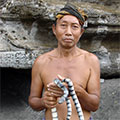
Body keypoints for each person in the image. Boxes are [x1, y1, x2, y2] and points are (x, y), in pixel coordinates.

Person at [29, 3, 100, 120]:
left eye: (74, 27)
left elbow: (94, 105)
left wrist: (77, 91)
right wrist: (43, 101)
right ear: (54, 29)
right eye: (63, 25)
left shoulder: (90, 60)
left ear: (81, 32)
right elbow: (33, 100)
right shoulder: (41, 62)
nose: (68, 32)